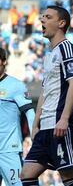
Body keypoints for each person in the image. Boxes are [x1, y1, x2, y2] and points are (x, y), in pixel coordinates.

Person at [21, 6, 73, 186]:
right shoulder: (50, 55)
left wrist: (64, 118)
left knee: (69, 176)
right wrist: (36, 122)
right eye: (42, 17)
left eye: (48, 17)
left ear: (61, 23)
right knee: (27, 174)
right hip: (46, 126)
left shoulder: (67, 49)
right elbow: (45, 91)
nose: (42, 20)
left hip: (63, 124)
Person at [0, 48, 35, 186]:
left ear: (4, 62)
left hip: (9, 150)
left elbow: (30, 114)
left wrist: (36, 142)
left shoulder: (16, 86)